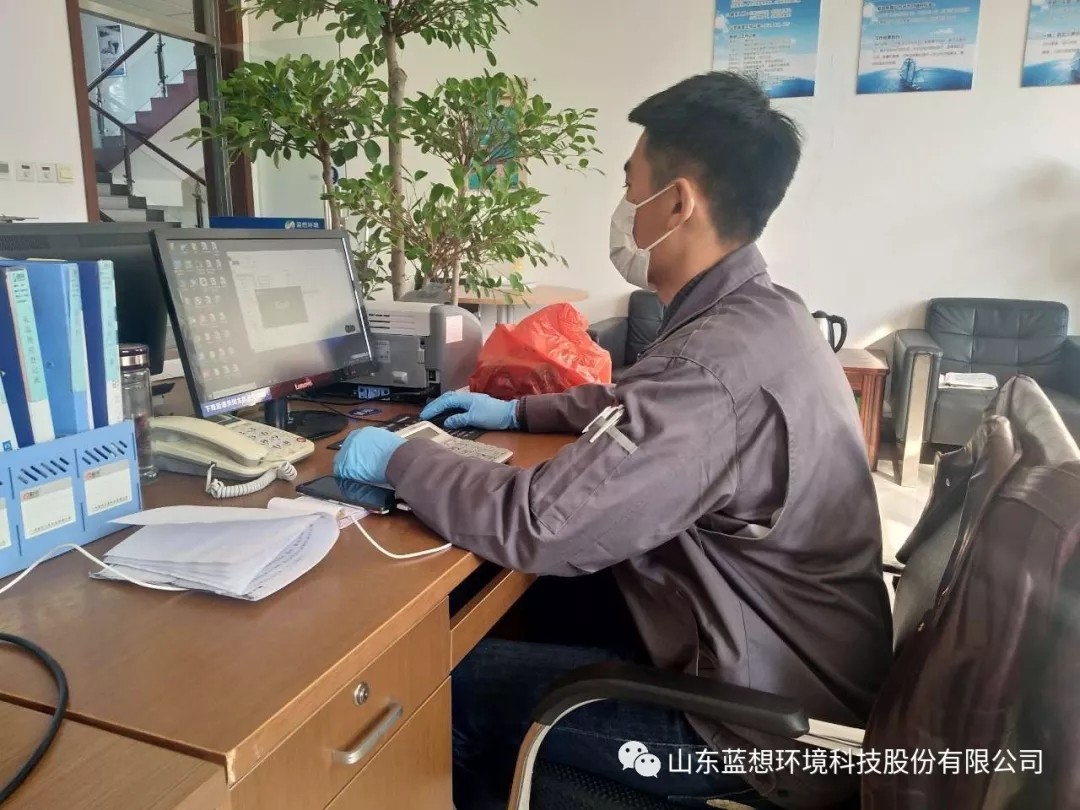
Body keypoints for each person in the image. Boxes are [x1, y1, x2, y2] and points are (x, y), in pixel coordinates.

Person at [334, 72, 892, 810]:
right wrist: (520, 414)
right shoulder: (763, 316)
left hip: (753, 730)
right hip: (783, 664)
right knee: (517, 612)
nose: (624, 206)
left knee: (436, 690)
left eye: (631, 185)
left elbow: (541, 523)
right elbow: (646, 405)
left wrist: (403, 455)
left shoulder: (711, 366)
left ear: (678, 204)